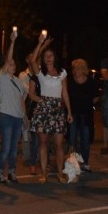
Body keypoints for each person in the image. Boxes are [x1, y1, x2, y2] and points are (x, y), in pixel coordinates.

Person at [29, 36, 73, 183]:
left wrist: (69, 112)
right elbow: (32, 60)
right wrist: (40, 43)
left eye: (50, 55)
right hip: (43, 110)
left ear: (55, 57)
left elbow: (65, 93)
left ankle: (60, 173)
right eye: (46, 56)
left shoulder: (62, 73)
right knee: (43, 143)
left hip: (58, 110)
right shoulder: (41, 73)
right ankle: (43, 173)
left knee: (59, 144)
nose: (48, 58)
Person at [0, 32, 27, 182]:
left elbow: (21, 99)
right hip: (6, 116)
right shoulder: (3, 78)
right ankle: (1, 171)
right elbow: (8, 59)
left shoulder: (19, 81)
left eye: (14, 64)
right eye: (10, 64)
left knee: (14, 149)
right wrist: (12, 42)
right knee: (6, 147)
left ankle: (12, 172)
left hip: (18, 117)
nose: (13, 65)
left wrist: (25, 116)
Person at [68, 57, 100, 173]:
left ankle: (85, 163)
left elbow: (96, 97)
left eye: (77, 68)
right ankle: (71, 162)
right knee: (72, 138)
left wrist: (88, 103)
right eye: (74, 68)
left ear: (83, 69)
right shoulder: (70, 81)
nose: (75, 70)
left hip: (86, 114)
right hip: (73, 113)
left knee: (85, 139)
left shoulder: (91, 82)